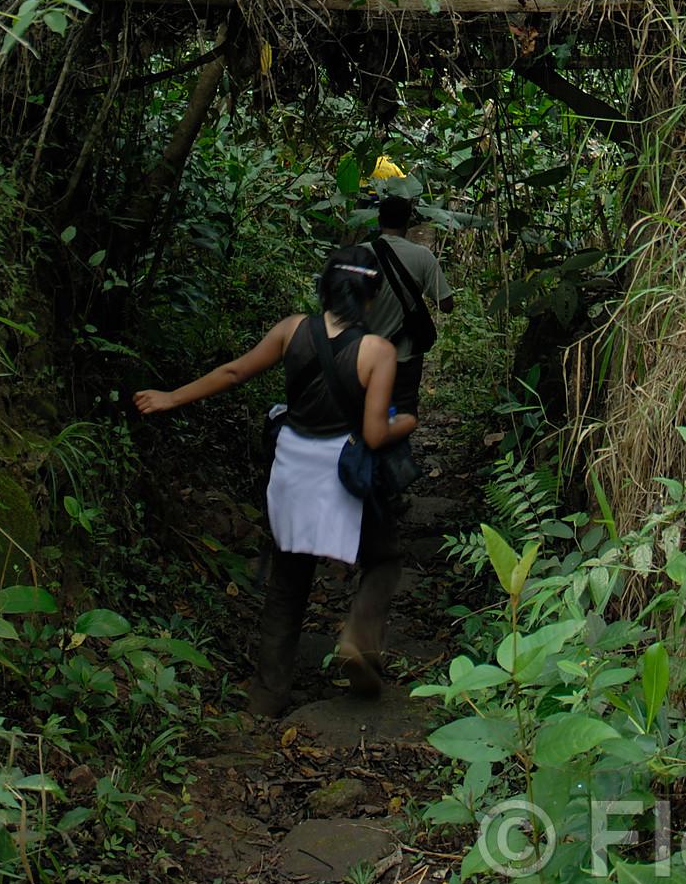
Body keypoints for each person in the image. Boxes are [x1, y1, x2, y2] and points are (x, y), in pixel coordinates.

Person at [133, 244, 417, 715]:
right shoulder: (378, 352)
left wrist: (170, 397)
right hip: (341, 478)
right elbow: (372, 432)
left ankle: (267, 693)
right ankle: (360, 641)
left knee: (288, 579)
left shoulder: (291, 330)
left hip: (292, 472)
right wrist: (404, 423)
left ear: (325, 288)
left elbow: (233, 372)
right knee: (383, 559)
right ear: (370, 297)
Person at [365, 189, 454, 419]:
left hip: (365, 355)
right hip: (405, 356)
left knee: (365, 413)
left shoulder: (357, 256)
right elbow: (446, 304)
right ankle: (398, 449)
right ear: (408, 222)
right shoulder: (422, 256)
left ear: (379, 220)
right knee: (402, 413)